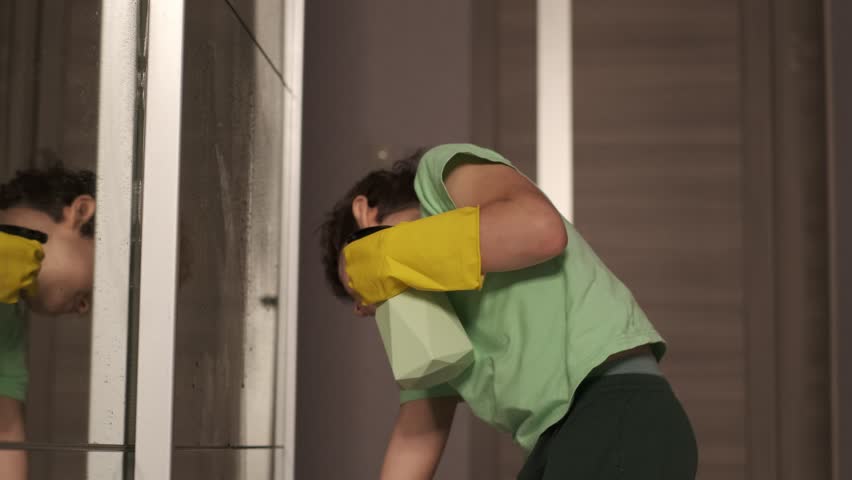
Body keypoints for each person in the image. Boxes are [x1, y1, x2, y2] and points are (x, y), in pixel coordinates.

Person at [320, 144, 698, 479]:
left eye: (358, 277)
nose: (372, 295)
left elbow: (540, 230)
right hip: (556, 438)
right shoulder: (430, 314)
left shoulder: (441, 180)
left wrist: (379, 254)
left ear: (363, 213)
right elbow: (418, 433)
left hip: (614, 406)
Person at [0, 167, 96, 480]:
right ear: (80, 211)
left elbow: (6, 434)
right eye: (98, 289)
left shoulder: (10, 321)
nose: (84, 308)